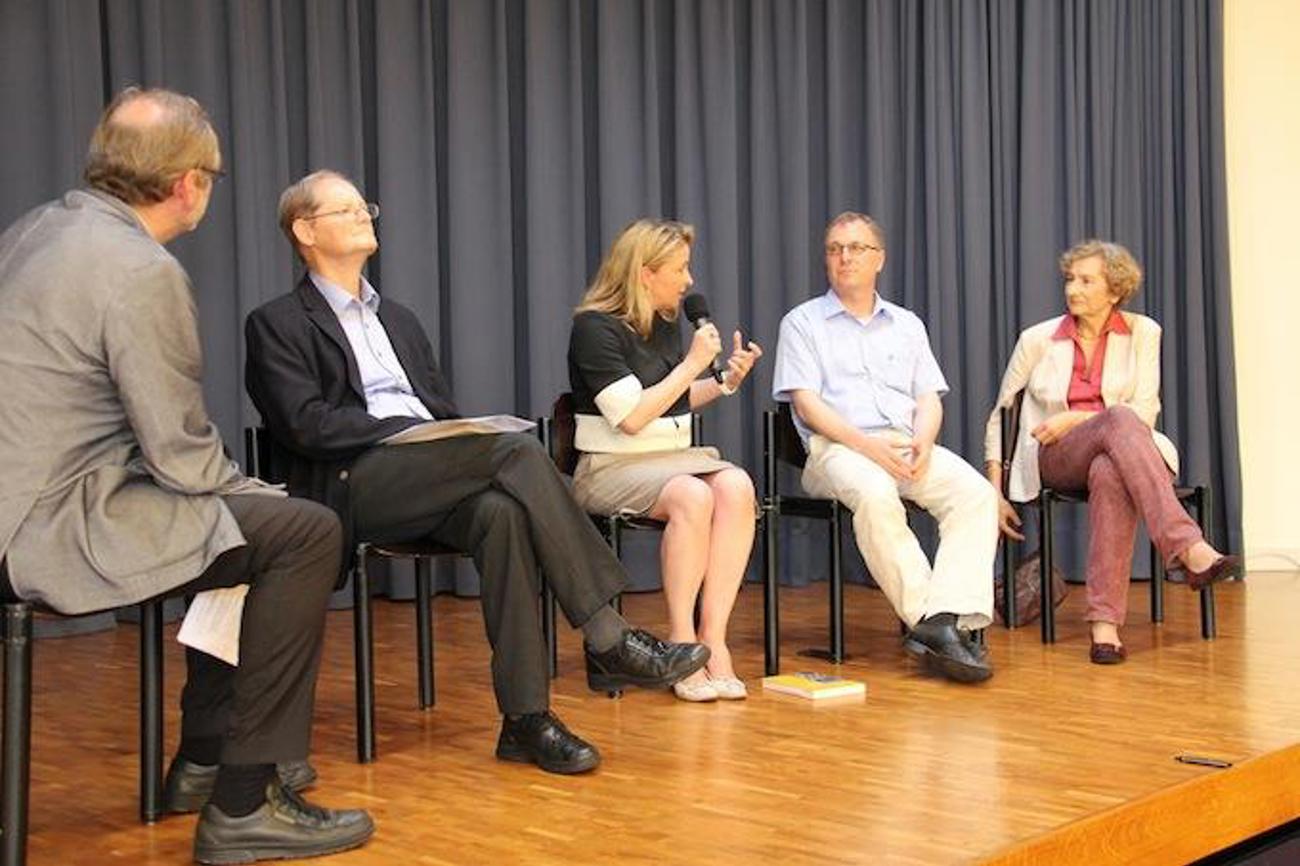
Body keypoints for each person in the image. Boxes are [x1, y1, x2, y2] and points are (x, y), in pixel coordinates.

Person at [0, 88, 373, 864]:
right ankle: (243, 802)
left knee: (237, 525)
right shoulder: (140, 268)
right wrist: (254, 490)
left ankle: (202, 760)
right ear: (187, 185)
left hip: (26, 501)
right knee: (300, 531)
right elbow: (180, 452)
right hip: (56, 523)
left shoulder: (37, 229)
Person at [245, 171, 710, 774]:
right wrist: (409, 437)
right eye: (348, 209)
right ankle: (606, 636)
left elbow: (442, 412)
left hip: (424, 474)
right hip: (349, 483)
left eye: (366, 207)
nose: (366, 216)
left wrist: (448, 439)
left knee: (503, 512)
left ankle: (525, 720)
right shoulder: (277, 321)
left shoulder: (400, 321)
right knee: (513, 452)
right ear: (305, 230)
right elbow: (304, 425)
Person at [983, 239, 1240, 664]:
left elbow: (1146, 409)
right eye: (1070, 279)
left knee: (1109, 467)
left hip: (1123, 450)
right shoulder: (1037, 339)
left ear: (1115, 290)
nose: (1073, 289)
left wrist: (1078, 417)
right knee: (1118, 420)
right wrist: (993, 492)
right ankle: (1188, 547)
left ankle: (1104, 627)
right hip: (1057, 454)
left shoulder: (1144, 332)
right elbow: (1001, 415)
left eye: (1087, 280)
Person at [771, 211, 996, 683]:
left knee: (975, 495)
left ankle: (946, 615)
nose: (844, 257)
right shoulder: (802, 322)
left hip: (905, 445)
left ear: (880, 259)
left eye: (856, 248)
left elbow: (928, 397)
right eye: (835, 248)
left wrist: (926, 440)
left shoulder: (907, 324)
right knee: (875, 492)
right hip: (835, 450)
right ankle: (927, 622)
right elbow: (808, 408)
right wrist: (869, 448)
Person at [568, 219, 762, 702]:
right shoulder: (593, 328)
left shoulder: (666, 323)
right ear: (645, 273)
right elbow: (632, 417)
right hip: (609, 469)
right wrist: (693, 364)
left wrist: (722, 382)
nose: (689, 280)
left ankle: (713, 637)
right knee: (693, 494)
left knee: (737, 487)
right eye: (680, 268)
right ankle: (680, 640)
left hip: (671, 459)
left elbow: (669, 401)